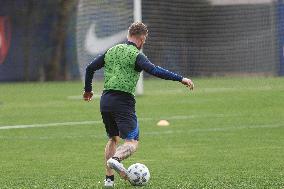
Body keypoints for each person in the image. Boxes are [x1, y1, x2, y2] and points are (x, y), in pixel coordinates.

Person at [83, 22, 194, 187]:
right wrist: (180, 78)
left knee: (113, 138)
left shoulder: (112, 51)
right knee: (132, 142)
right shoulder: (136, 55)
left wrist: (88, 90)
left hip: (105, 100)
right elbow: (155, 70)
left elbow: (90, 68)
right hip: (123, 101)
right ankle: (116, 159)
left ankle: (109, 180)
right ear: (142, 38)